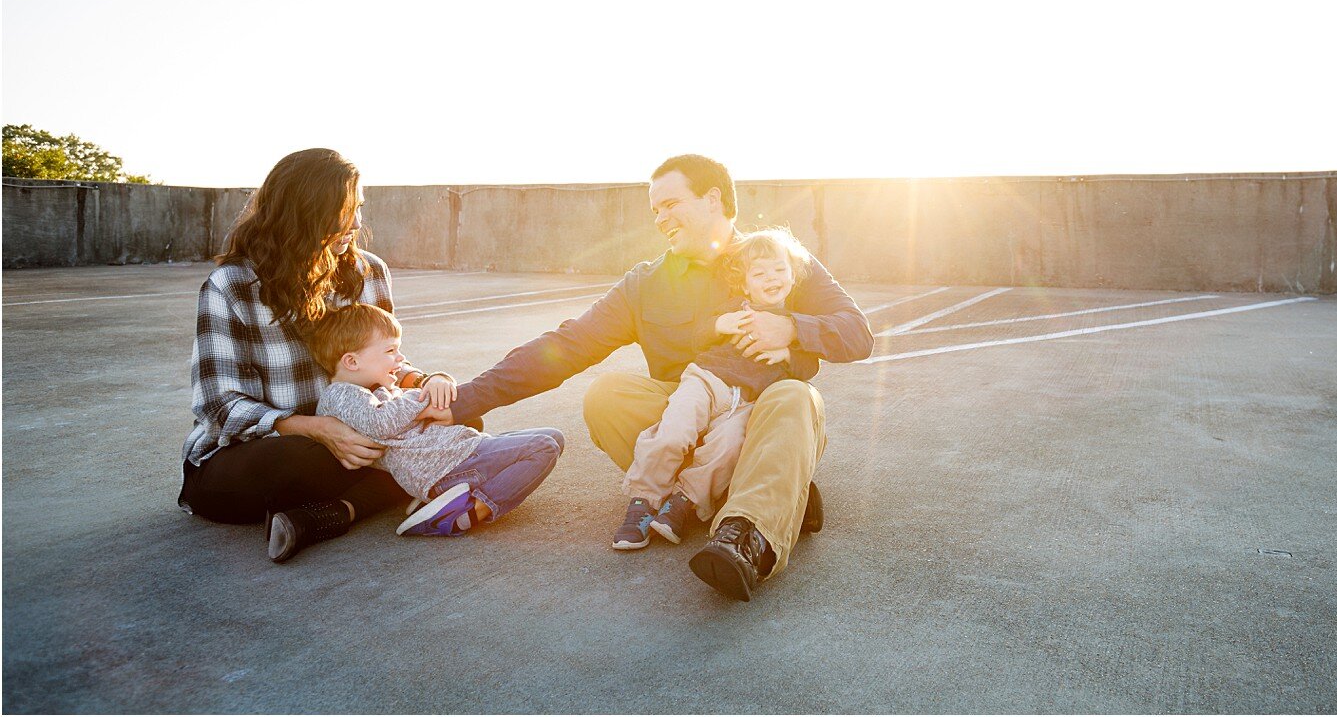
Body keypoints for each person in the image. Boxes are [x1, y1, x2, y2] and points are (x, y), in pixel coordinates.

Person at [442, 154, 874, 601]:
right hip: (682, 416)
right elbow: (566, 346)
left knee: (795, 397)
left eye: (670, 204)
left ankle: (746, 536)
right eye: (655, 211)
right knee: (608, 395)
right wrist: (465, 401)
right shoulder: (645, 283)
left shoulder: (777, 262)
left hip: (756, 413)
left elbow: (859, 334)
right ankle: (766, 487)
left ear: (713, 199)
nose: (661, 218)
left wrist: (791, 327)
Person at [178, 148, 459, 563]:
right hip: (259, 455)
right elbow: (219, 405)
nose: (356, 223)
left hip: (354, 438)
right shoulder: (231, 285)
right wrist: (316, 428)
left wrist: (425, 383)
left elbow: (385, 361)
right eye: (343, 211)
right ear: (303, 212)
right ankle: (365, 494)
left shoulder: (368, 272)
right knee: (303, 457)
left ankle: (331, 513)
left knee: (455, 415)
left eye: (358, 208)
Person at [614, 227, 817, 551]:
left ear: (793, 275)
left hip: (747, 402)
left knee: (727, 447)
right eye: (760, 272)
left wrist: (787, 353)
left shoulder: (794, 323)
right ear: (745, 281)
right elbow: (699, 335)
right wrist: (721, 324)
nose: (772, 278)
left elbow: (810, 366)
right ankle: (644, 499)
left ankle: (682, 502)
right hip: (707, 381)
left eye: (780, 270)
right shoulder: (735, 307)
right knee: (674, 431)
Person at [312, 302, 564, 539]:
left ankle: (446, 501)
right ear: (352, 361)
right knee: (544, 447)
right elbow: (380, 423)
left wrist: (427, 386)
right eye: (390, 351)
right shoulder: (341, 395)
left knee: (554, 437)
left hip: (456, 453)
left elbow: (394, 413)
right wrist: (423, 399)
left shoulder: (372, 389)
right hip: (445, 465)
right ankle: (467, 511)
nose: (400, 359)